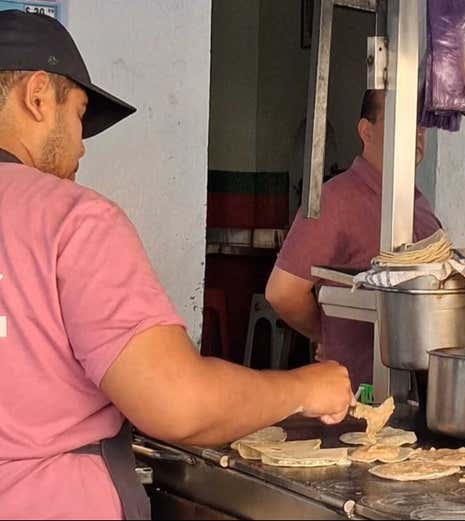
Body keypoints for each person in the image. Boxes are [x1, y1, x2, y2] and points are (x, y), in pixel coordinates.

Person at [0, 11, 353, 520]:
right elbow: (177, 404)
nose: (81, 146)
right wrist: (305, 388)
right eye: (78, 114)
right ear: (37, 98)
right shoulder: (70, 220)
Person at [265, 90, 442, 389]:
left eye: (421, 124)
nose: (416, 133)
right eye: (401, 120)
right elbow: (283, 292)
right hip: (358, 392)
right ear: (366, 131)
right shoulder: (335, 200)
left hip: (423, 389)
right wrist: (325, 334)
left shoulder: (418, 203)